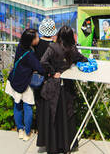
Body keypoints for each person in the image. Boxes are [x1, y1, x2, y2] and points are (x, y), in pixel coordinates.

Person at [37, 25, 88, 154]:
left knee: (53, 116)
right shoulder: (72, 48)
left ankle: (53, 146)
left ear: (59, 34)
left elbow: (43, 61)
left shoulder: (53, 47)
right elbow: (81, 58)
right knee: (67, 115)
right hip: (67, 86)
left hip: (53, 86)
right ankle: (66, 145)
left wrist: (53, 72)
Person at [5, 29, 45, 141]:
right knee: (28, 107)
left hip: (15, 80)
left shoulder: (20, 47)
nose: (39, 39)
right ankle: (27, 132)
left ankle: (20, 130)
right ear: (31, 41)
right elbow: (40, 69)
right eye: (37, 37)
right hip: (25, 84)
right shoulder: (30, 55)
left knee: (17, 105)